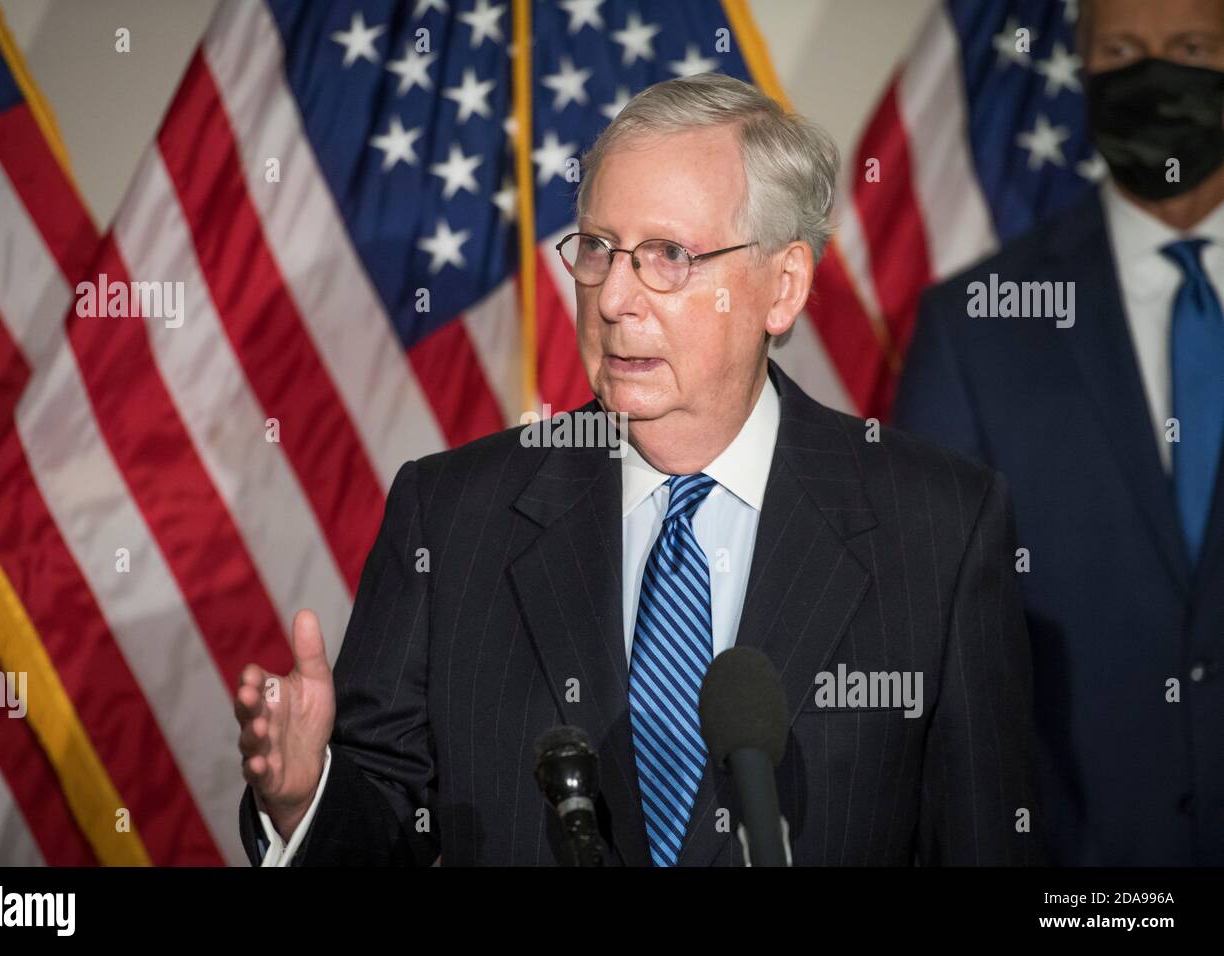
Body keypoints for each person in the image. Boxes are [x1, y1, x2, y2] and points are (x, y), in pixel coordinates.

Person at [235, 72, 1038, 867]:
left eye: (668, 255)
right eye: (597, 249)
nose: (614, 297)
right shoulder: (449, 518)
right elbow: (382, 824)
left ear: (783, 286)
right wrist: (308, 799)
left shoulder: (939, 530)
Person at [895, 0, 1224, 865]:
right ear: (1081, 68)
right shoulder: (974, 325)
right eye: (1121, 49)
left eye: (1190, 47)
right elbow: (928, 641)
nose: (1156, 72)